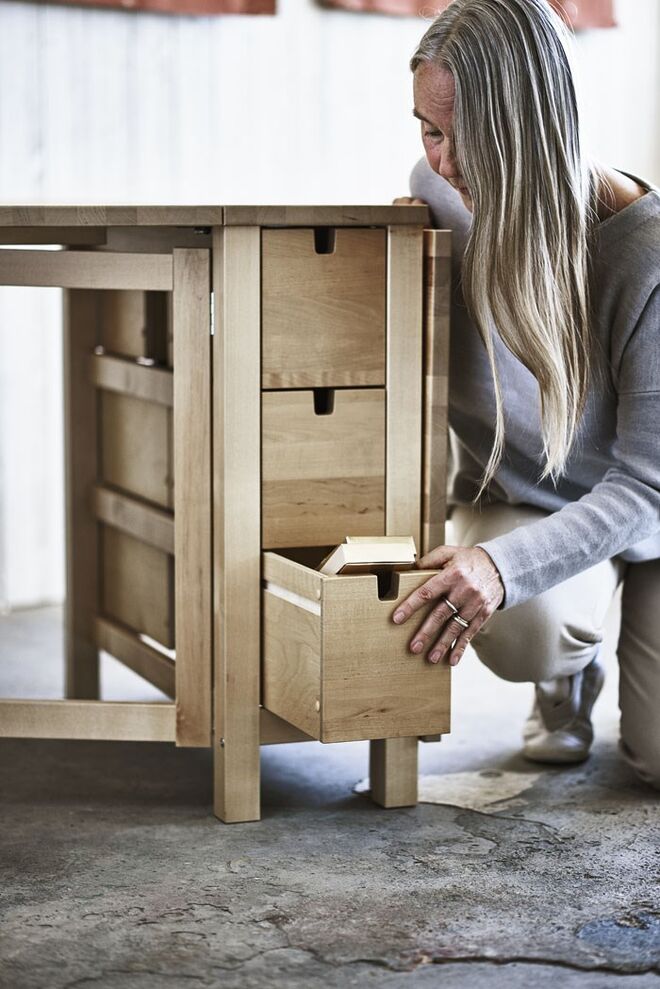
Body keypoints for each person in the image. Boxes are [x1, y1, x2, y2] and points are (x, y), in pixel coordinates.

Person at [392, 0, 660, 786]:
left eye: (463, 137)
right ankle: (567, 673)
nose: (443, 162)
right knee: (528, 630)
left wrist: (502, 567)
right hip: (526, 497)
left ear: (526, 133)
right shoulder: (437, 194)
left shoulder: (646, 253)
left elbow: (647, 484)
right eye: (428, 130)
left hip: (648, 510)